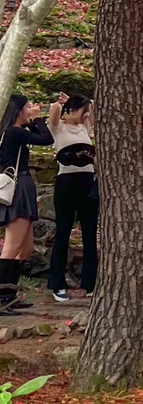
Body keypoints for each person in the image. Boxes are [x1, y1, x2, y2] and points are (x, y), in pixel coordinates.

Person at [0, 95, 54, 313]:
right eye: (28, 107)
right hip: (19, 186)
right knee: (11, 247)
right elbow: (46, 139)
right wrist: (37, 120)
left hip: (21, 185)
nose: (32, 109)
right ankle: (3, 297)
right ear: (19, 111)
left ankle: (10, 294)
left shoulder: (7, 132)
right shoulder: (13, 132)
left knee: (27, 247)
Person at [46, 93, 98, 303]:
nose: (84, 115)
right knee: (63, 231)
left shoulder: (85, 127)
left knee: (89, 232)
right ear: (71, 110)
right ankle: (57, 284)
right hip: (66, 180)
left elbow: (94, 117)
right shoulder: (59, 128)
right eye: (80, 111)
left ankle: (90, 281)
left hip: (87, 180)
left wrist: (88, 107)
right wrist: (62, 102)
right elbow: (54, 113)